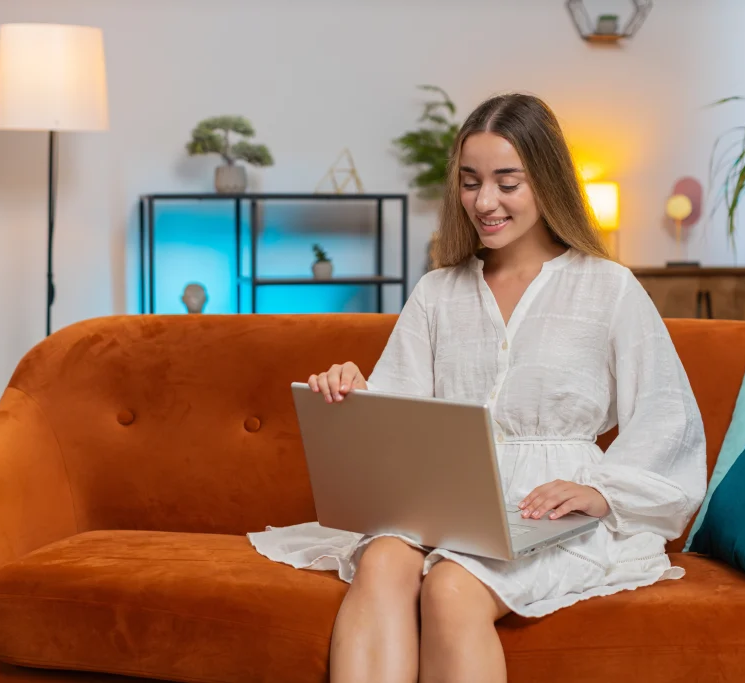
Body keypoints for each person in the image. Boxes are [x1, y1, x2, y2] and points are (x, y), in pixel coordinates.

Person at [248, 93, 707, 683]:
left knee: (452, 585)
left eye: (506, 182)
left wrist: (602, 492)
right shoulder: (438, 291)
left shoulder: (608, 288)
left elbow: (668, 419)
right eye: (470, 182)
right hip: (441, 503)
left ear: (547, 180)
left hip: (549, 508)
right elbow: (398, 420)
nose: (483, 202)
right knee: (384, 560)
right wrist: (351, 394)